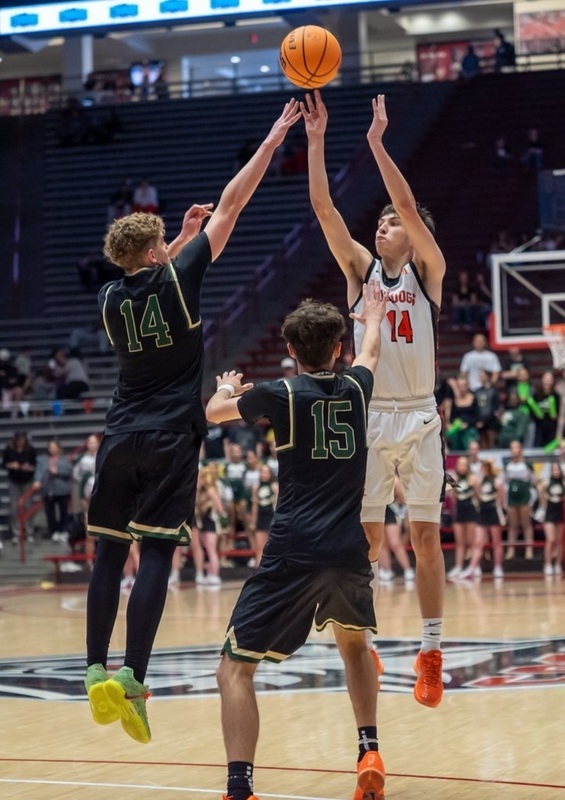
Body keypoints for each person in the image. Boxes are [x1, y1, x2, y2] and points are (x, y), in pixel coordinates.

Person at [82, 98, 301, 745]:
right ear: (157, 254)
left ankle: (92, 666)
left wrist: (171, 238)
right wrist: (272, 136)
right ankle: (131, 677)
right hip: (172, 433)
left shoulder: (107, 298)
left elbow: (140, 274)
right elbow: (232, 204)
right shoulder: (179, 279)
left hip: (119, 432)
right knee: (155, 554)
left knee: (105, 553)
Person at [206, 281, 388, 800]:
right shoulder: (356, 387)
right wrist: (372, 314)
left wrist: (226, 386)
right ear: (337, 349)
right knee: (355, 646)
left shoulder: (279, 393)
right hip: (349, 548)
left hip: (293, 547)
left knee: (234, 669)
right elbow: (371, 350)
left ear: (290, 350)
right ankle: (368, 748)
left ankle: (240, 787)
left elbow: (213, 413)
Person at [303, 90, 446, 708]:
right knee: (363, 543)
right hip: (369, 418)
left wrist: (377, 143)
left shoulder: (426, 271)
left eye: (391, 223)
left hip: (418, 415)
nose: (381, 224)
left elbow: (409, 204)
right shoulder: (361, 272)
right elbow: (323, 207)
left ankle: (431, 650)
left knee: (425, 539)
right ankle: (364, 635)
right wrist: (314, 141)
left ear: (411, 239)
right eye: (381, 220)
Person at [460, 459, 506, 580]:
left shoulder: (498, 481)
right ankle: (472, 568)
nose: (482, 469)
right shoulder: (479, 481)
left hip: (494, 511)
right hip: (482, 512)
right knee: (478, 542)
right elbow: (477, 496)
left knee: (496, 542)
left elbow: (501, 500)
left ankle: (498, 567)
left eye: (485, 467)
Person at [33, 439, 73, 540]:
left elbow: (69, 471)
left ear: (58, 448)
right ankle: (53, 531)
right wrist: (37, 481)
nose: (53, 449)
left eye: (55, 447)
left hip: (62, 489)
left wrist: (58, 472)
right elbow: (38, 472)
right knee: (50, 513)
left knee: (63, 511)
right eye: (51, 447)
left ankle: (63, 530)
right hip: (48, 489)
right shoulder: (42, 460)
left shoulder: (65, 459)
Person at [446, 456, 478, 579]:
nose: (462, 467)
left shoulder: (473, 479)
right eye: (460, 464)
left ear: (468, 467)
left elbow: (478, 496)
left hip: (470, 510)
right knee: (460, 541)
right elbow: (453, 498)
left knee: (471, 540)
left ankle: (474, 567)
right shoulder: (453, 479)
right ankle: (458, 566)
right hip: (459, 511)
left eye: (464, 464)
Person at [2, 431, 37, 544]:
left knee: (28, 506)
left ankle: (29, 532)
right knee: (14, 507)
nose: (20, 442)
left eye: (22, 440)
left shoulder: (30, 450)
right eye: (18, 440)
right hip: (14, 480)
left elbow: (35, 465)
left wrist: (28, 467)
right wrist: (11, 465)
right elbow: (4, 464)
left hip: (27, 480)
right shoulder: (9, 449)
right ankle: (16, 533)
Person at [503, 440, 535, 561]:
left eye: (516, 448)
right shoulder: (508, 465)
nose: (514, 451)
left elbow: (532, 482)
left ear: (521, 449)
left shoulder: (527, 465)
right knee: (513, 525)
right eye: (512, 448)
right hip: (512, 496)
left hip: (524, 496)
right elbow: (505, 482)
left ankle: (529, 549)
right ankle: (511, 549)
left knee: (526, 524)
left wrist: (531, 499)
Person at [539, 461, 563, 577]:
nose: (555, 471)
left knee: (560, 541)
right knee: (551, 539)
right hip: (549, 514)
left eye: (557, 469)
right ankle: (547, 564)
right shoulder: (546, 484)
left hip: (561, 514)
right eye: (553, 469)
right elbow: (542, 499)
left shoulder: (563, 483)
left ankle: (558, 564)